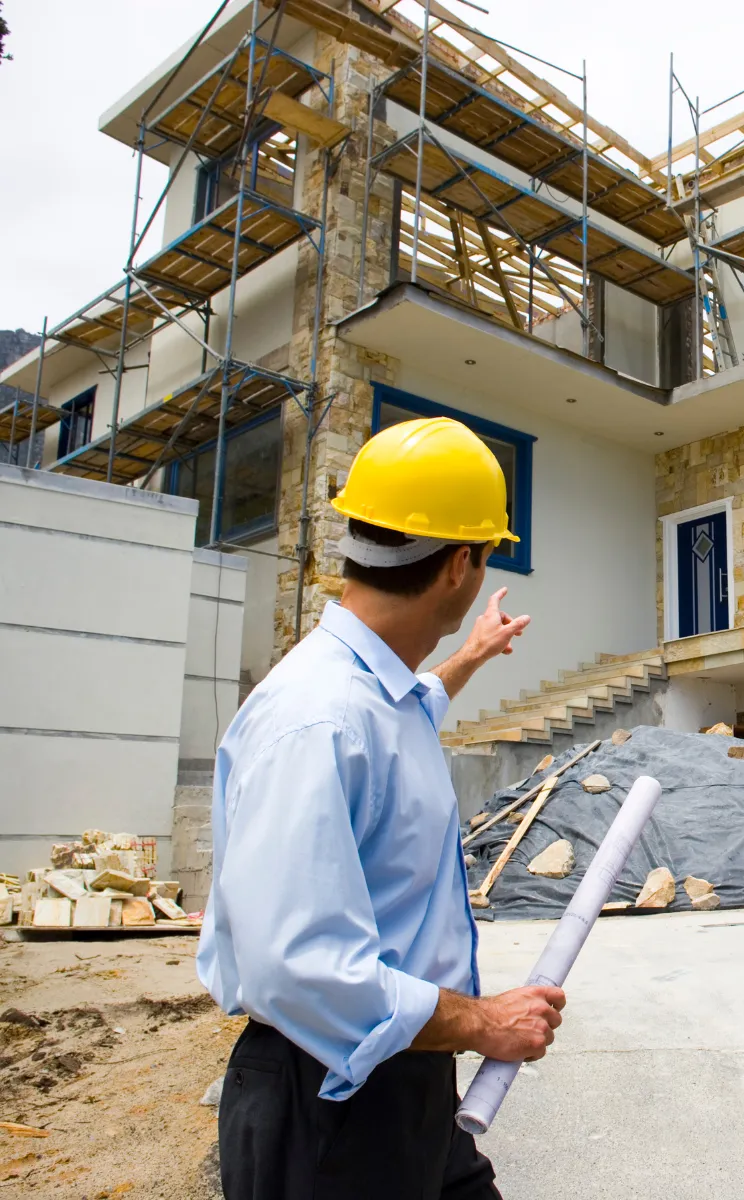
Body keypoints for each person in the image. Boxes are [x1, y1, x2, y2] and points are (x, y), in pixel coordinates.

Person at [199, 416, 565, 1199]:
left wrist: (469, 656)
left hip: (400, 1081)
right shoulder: (318, 718)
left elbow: (402, 714)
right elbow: (299, 966)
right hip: (330, 1111)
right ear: (461, 565)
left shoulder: (366, 696)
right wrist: (486, 1022)